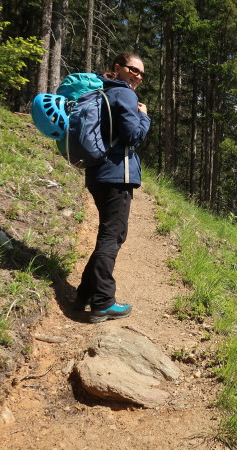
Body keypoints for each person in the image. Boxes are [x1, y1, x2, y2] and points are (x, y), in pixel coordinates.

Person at [73, 52, 151, 323]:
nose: (137, 76)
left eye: (141, 73)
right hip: (116, 175)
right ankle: (104, 302)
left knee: (108, 234)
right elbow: (133, 136)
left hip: (98, 174)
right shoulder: (124, 94)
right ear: (118, 68)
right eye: (133, 70)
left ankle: (84, 293)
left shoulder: (103, 91)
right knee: (113, 236)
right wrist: (145, 117)